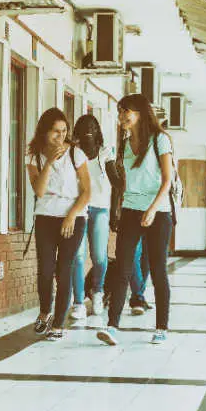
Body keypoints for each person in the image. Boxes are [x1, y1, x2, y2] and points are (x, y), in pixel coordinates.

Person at [97, 94, 175, 346]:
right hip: (130, 210)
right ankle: (112, 326)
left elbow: (167, 180)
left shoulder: (160, 140)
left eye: (125, 112)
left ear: (140, 113)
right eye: (120, 113)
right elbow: (123, 183)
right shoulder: (125, 143)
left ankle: (162, 327)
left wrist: (152, 209)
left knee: (158, 269)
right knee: (123, 268)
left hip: (158, 212)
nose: (121, 117)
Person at [26, 108, 91, 341]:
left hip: (73, 218)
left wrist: (72, 216)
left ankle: (59, 323)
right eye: (55, 132)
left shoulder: (77, 154)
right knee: (45, 270)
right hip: (45, 217)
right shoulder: (33, 156)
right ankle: (45, 312)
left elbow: (86, 192)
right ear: (45, 131)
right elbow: (40, 190)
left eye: (64, 131)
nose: (60, 137)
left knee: (64, 270)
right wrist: (50, 161)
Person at [69, 115, 117, 319]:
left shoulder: (105, 153)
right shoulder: (73, 154)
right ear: (78, 132)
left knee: (99, 256)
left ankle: (98, 291)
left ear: (97, 131)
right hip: (78, 210)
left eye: (92, 127)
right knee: (77, 257)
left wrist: (116, 211)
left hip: (100, 210)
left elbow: (116, 182)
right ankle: (79, 302)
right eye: (84, 128)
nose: (89, 131)